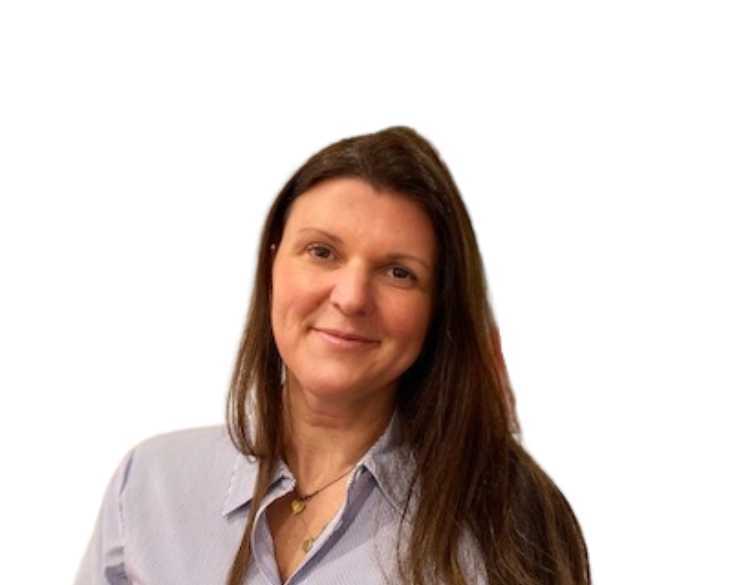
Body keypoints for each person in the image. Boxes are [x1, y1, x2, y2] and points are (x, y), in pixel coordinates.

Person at [75, 126, 591, 585]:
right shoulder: (148, 485)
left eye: (398, 272)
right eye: (322, 252)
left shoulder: (508, 521)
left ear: (440, 308)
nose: (350, 297)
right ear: (273, 265)